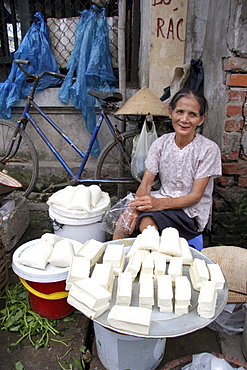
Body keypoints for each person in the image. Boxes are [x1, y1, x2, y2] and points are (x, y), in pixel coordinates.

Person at [112, 88, 222, 240]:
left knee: (147, 223)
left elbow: (195, 197)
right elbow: (146, 185)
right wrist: (135, 210)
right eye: (180, 112)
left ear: (201, 119)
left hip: (190, 212)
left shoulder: (208, 149)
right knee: (124, 222)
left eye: (192, 115)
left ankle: (151, 259)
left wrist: (157, 204)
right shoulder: (160, 144)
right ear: (170, 112)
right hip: (159, 201)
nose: (184, 119)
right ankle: (118, 260)